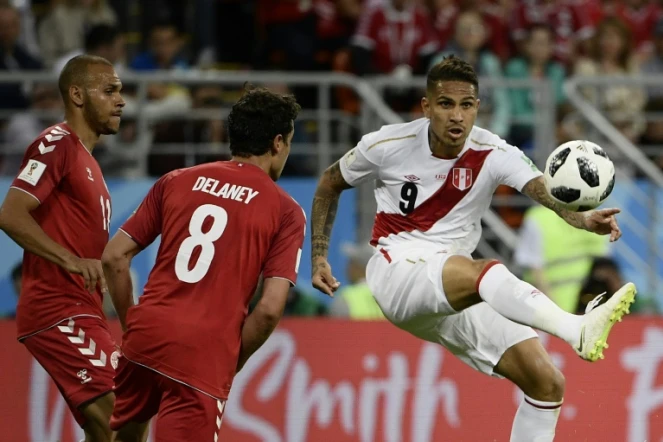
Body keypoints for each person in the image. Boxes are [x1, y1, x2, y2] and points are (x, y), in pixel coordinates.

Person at [310, 55, 636, 442]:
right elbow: (330, 183)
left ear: (478, 108)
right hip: (397, 271)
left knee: (546, 382)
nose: (457, 116)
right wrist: (318, 254)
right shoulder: (386, 144)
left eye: (466, 105)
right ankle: (575, 328)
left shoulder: (493, 151)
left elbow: (542, 191)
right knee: (482, 271)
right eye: (446, 104)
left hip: (453, 293)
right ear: (426, 106)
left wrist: (582, 219)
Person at [102, 86, 305, 442]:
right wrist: (230, 358)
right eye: (288, 141)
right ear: (277, 143)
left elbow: (114, 256)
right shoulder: (285, 210)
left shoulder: (176, 180)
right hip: (202, 355)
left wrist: (132, 322)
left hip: (146, 336)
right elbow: (271, 308)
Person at [0, 54, 124, 440]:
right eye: (109, 90)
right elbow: (11, 213)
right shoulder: (56, 144)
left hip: (84, 311)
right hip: (57, 309)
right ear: (77, 95)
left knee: (111, 429)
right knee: (121, 417)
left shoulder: (91, 164)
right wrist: (69, 260)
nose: (121, 100)